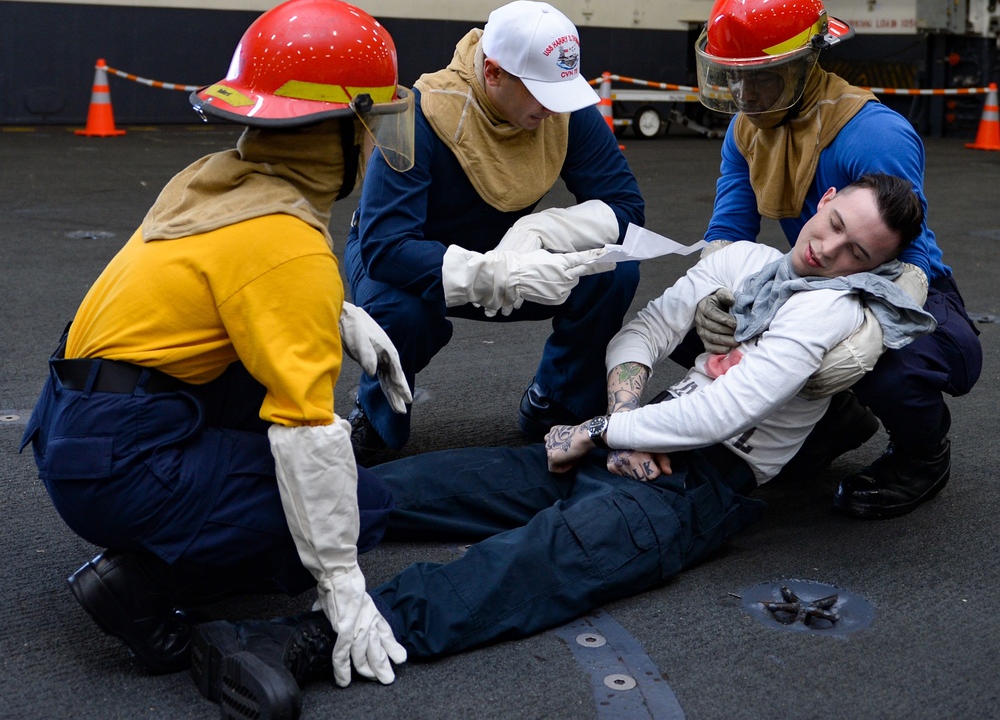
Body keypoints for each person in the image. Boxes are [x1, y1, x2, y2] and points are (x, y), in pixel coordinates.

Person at [187, 174, 934, 720]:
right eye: (834, 221)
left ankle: (300, 638)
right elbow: (642, 333)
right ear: (826, 196)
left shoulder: (831, 311)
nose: (829, 246)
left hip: (695, 489)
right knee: (422, 484)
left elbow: (727, 410)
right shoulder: (742, 261)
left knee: (523, 568)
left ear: (868, 267)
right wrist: (618, 415)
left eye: (853, 250)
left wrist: (601, 431)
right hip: (631, 432)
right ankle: (189, 555)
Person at [19, 0, 416, 688]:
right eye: (366, 123)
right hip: (121, 456)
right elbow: (306, 436)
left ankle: (174, 530)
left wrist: (335, 313)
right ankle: (138, 581)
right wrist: (343, 588)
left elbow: (218, 288)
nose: (373, 140)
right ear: (337, 133)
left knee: (263, 410)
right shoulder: (286, 242)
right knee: (362, 501)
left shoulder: (215, 182)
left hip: (79, 422)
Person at [689, 0, 982, 518]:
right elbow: (729, 229)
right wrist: (710, 298)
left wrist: (869, 335)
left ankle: (923, 454)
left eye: (764, 76)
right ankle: (837, 418)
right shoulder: (748, 125)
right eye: (736, 76)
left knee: (899, 364)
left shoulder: (873, 134)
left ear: (807, 64)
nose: (747, 95)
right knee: (701, 325)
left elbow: (911, 257)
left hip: (900, 281)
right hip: (814, 274)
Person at [344, 0, 645, 465]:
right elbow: (386, 246)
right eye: (540, 90)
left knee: (612, 274)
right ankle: (379, 417)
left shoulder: (560, 106)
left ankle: (556, 399)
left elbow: (627, 210)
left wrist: (539, 228)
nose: (552, 107)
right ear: (494, 72)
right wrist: (488, 274)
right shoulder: (411, 115)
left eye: (560, 90)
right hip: (407, 262)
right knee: (401, 315)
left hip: (511, 252)